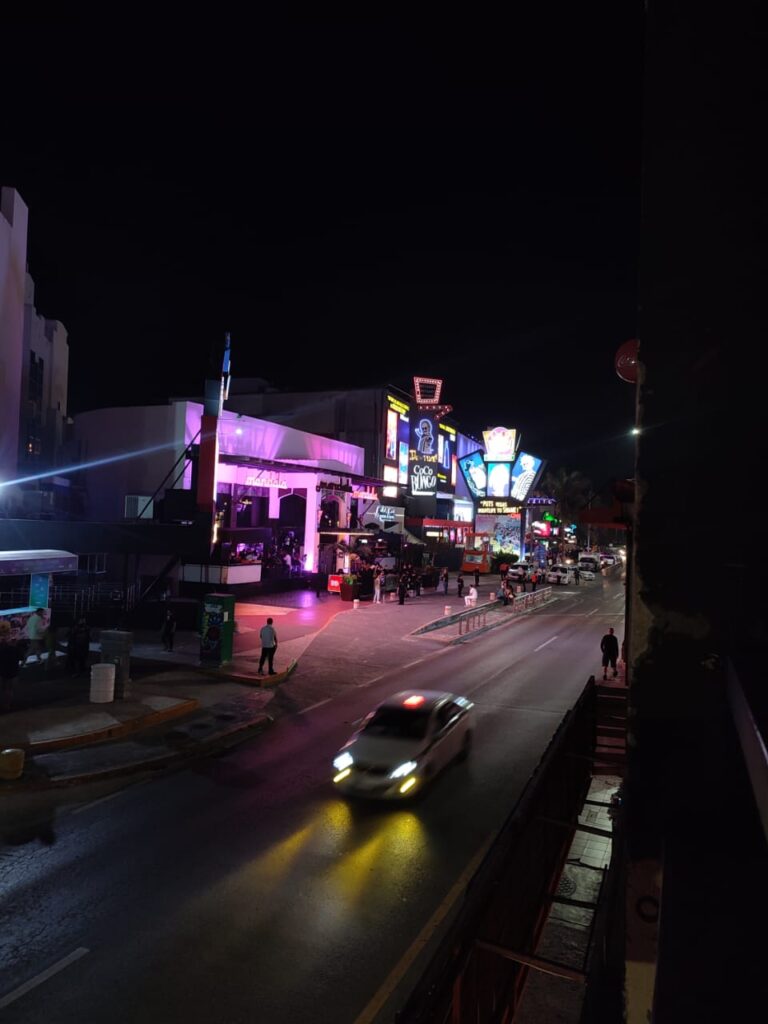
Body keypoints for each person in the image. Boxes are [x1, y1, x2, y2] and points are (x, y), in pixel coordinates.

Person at [0, 622, 22, 712]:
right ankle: (7, 705)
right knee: (9, 689)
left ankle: (5, 704)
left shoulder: (2, 647)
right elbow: (21, 657)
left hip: (2, 669)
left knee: (4, 687)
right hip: (12, 670)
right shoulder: (15, 648)